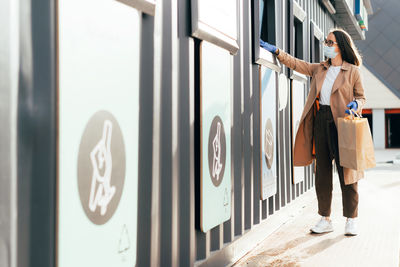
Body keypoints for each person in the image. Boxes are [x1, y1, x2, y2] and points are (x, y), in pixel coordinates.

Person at [260, 28, 366, 236]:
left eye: (330, 42)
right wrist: (277, 51)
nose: (326, 45)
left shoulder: (352, 71)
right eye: (326, 41)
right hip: (321, 120)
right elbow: (297, 64)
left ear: (340, 46)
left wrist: (356, 104)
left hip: (343, 124)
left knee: (348, 174)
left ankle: (351, 219)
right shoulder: (320, 68)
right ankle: (325, 218)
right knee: (322, 173)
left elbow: (362, 97)